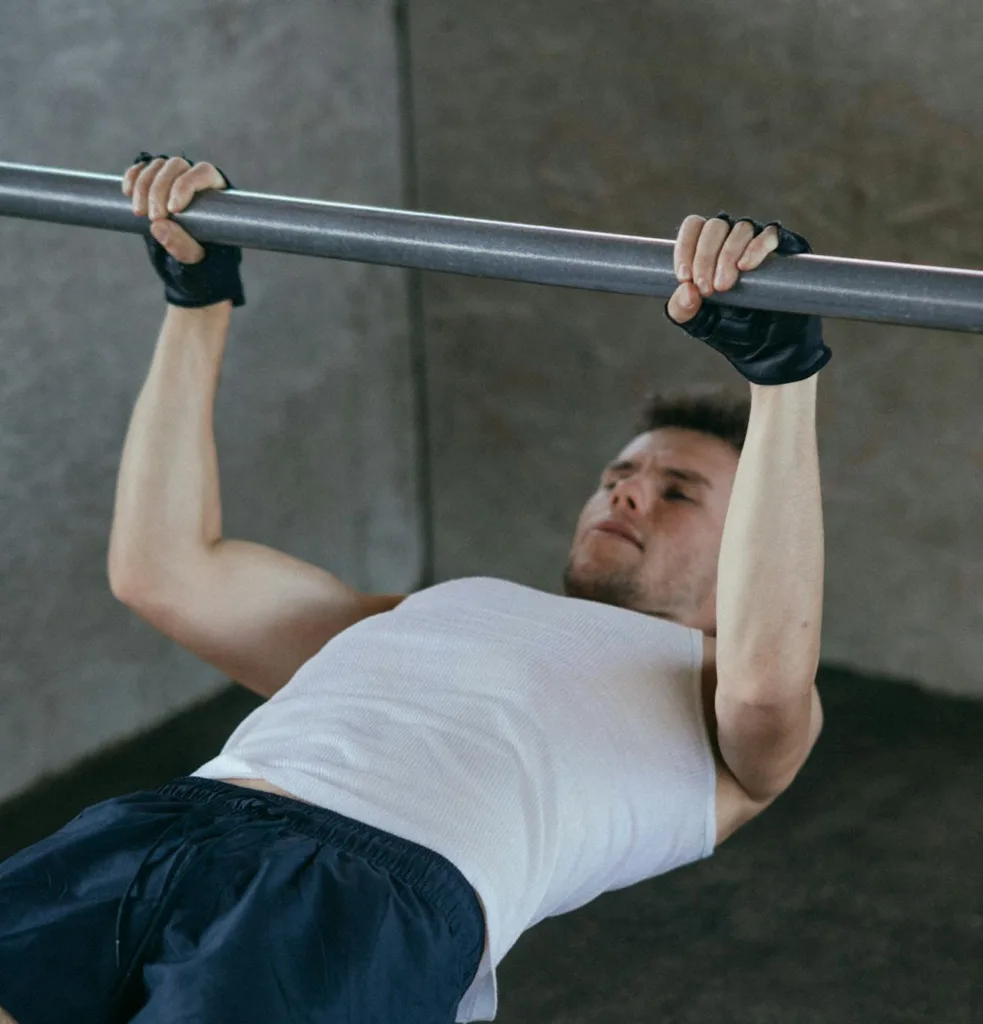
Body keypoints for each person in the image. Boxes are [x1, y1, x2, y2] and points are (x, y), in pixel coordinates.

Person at [0, 153, 831, 1024]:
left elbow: (767, 676)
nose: (625, 491)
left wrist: (781, 382)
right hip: (161, 827)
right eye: (620, 472)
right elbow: (163, 571)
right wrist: (197, 296)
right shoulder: (436, 608)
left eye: (678, 491)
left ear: (752, 539)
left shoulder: (716, 708)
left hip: (361, 896)